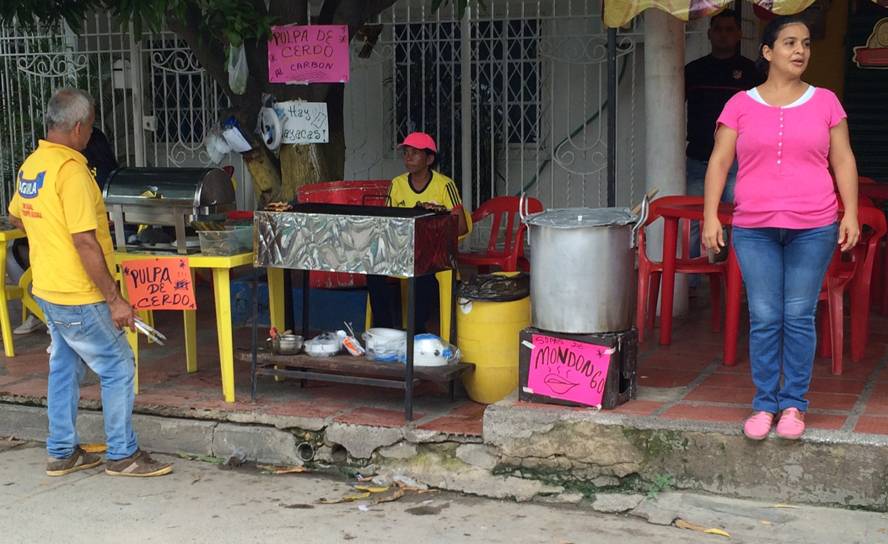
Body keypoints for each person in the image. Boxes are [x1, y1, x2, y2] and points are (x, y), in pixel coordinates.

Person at [702, 18, 859, 441]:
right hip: (754, 228)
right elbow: (719, 161)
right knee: (766, 316)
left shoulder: (826, 101)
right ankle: (764, 403)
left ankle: (794, 404)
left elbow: (843, 159)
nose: (800, 50)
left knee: (799, 315)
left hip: (814, 225)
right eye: (789, 43)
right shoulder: (740, 104)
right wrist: (711, 215)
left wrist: (850, 212)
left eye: (805, 43)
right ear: (768, 52)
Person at [8, 88, 172, 477]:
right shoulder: (72, 172)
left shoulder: (33, 166)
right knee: (117, 364)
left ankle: (61, 452)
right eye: (92, 127)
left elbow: (17, 216)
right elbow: (84, 241)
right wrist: (115, 300)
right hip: (77, 293)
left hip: (48, 288)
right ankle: (123, 454)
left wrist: (50, 236)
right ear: (79, 126)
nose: (91, 135)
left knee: (64, 367)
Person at [367, 132, 471, 332]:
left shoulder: (444, 185)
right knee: (373, 267)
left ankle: (417, 330)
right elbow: (386, 222)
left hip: (434, 251)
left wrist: (437, 217)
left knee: (423, 271)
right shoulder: (397, 184)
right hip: (402, 248)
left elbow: (462, 226)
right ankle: (384, 329)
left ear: (429, 159)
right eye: (406, 153)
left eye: (414, 153)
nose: (408, 157)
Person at [686, 11, 762, 269]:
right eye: (718, 29)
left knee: (735, 220)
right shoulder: (694, 70)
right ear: (709, 34)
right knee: (693, 220)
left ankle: (732, 276)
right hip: (698, 158)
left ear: (739, 34)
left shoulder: (751, 72)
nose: (723, 35)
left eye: (729, 29)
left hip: (737, 162)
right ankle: (691, 281)